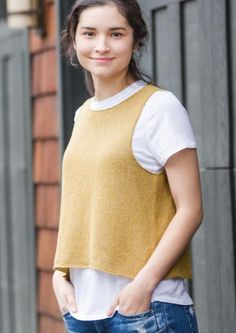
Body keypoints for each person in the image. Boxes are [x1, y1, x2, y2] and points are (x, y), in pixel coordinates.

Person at [52, 0, 203, 332]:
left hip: (145, 310)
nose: (102, 45)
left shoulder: (158, 107)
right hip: (83, 313)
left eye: (116, 34)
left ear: (136, 41)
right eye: (89, 33)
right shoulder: (83, 114)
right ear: (74, 41)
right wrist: (59, 273)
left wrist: (144, 285)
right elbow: (82, 201)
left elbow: (190, 209)